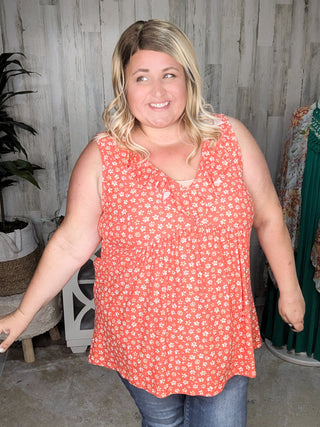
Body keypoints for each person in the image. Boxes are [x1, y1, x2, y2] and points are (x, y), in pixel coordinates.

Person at [0, 19, 305, 427]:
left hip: (219, 329)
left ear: (188, 80)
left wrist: (290, 290)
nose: (157, 91)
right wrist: (22, 316)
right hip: (142, 334)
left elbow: (268, 217)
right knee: (163, 423)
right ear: (124, 86)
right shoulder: (103, 156)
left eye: (169, 75)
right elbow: (71, 243)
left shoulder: (231, 139)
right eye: (142, 77)